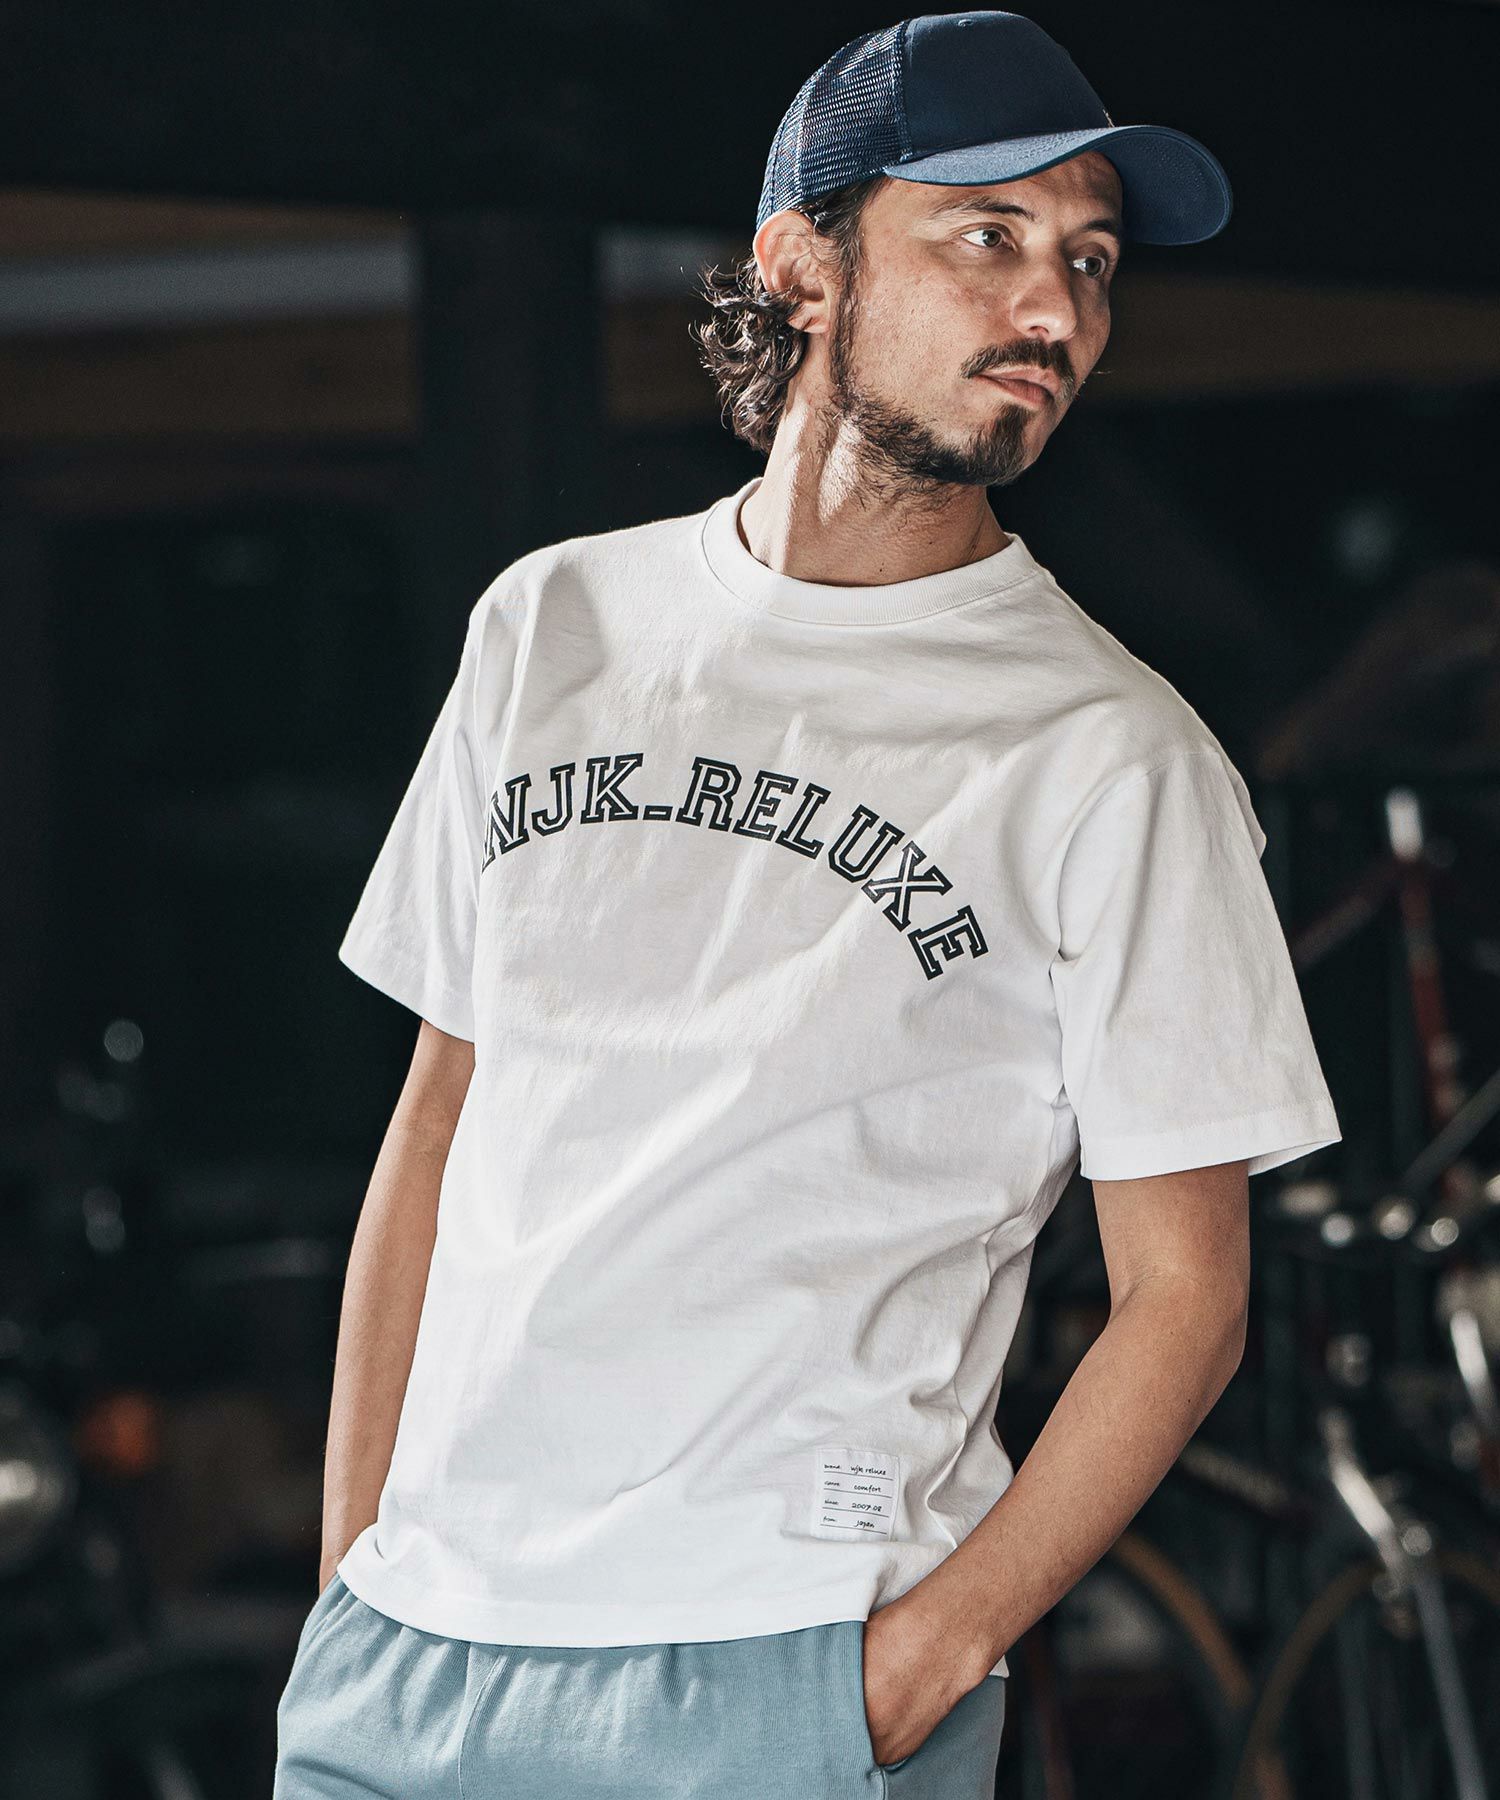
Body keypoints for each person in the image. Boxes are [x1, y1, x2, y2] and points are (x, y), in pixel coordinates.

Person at [273, 13, 1341, 1797]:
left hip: (784, 1668)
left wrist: (916, 1667)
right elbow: (440, 1120)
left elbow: (1187, 1300)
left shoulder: (1111, 754)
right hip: (411, 1664)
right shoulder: (552, 626)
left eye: (1089, 260)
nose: (1055, 308)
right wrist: (349, 1581)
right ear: (802, 267)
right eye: (987, 236)